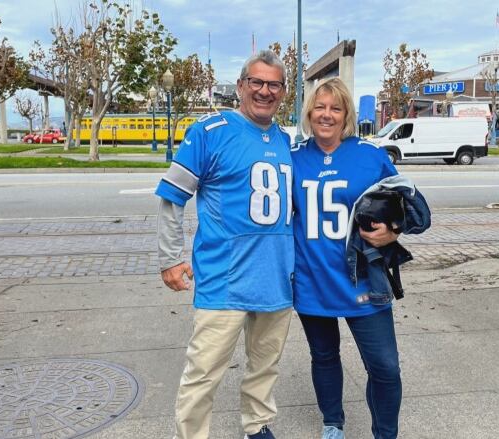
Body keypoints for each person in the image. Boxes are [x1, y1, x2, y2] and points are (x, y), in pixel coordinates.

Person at [155, 50, 293, 439]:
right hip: (224, 279)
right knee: (203, 372)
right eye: (257, 82)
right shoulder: (209, 131)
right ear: (241, 86)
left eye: (274, 84)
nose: (265, 91)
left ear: (283, 91)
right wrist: (170, 257)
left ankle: (257, 425)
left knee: (265, 364)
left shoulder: (285, 140)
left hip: (276, 279)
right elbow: (172, 197)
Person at [291, 77, 428, 439]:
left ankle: (385, 434)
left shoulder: (370, 156)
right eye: (320, 107)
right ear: (309, 112)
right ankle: (332, 422)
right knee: (323, 356)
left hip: (363, 279)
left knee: (385, 368)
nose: (327, 114)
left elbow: (410, 207)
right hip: (312, 279)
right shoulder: (292, 160)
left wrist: (393, 231)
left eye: (335, 108)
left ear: (347, 114)